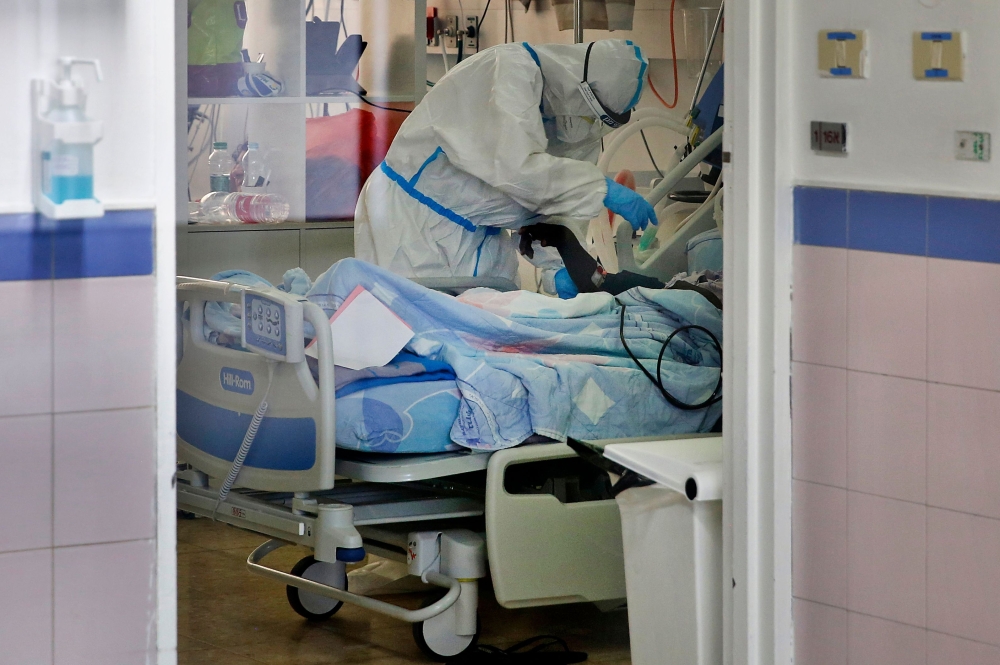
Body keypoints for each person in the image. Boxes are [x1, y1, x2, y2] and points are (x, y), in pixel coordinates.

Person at [354, 39, 657, 285]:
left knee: (487, 333)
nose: (587, 124)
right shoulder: (509, 70)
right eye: (589, 111)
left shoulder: (582, 132)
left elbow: (556, 206)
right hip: (412, 224)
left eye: (600, 120)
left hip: (483, 238)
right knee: (412, 330)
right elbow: (518, 170)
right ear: (577, 83)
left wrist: (559, 266)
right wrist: (600, 189)